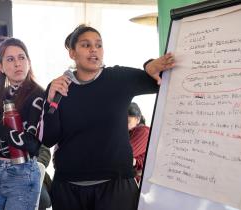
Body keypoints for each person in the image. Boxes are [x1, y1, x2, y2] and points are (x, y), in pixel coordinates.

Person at [41, 24, 175, 210]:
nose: (94, 49)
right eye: (86, 45)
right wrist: (49, 101)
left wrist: (148, 65)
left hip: (117, 187)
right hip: (68, 189)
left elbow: (157, 79)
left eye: (98, 44)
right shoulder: (60, 86)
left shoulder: (117, 78)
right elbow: (48, 138)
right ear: (72, 53)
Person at [0, 37, 44, 210]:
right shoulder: (2, 93)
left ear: (29, 62)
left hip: (21, 173)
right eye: (10, 59)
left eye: (21, 57)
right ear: (1, 67)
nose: (17, 64)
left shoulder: (38, 95)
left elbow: (32, 145)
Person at [128, 102, 150, 184]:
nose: (125, 126)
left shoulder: (144, 131)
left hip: (134, 181)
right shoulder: (129, 131)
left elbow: (126, 153)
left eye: (128, 122)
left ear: (138, 119)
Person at [37, 144, 52, 210]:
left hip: (35, 173)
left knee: (43, 199)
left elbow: (45, 152)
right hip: (7, 175)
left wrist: (34, 167)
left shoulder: (34, 134)